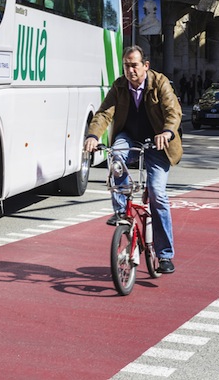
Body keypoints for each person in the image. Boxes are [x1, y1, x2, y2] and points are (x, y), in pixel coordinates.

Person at [83, 45, 183, 274]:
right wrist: (92, 136)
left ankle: (165, 255)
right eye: (127, 66)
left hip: (158, 141)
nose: (130, 70)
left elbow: (172, 111)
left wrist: (167, 133)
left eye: (135, 65)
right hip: (129, 137)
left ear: (145, 66)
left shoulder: (159, 82)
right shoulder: (119, 86)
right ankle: (120, 211)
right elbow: (103, 114)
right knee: (116, 155)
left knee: (157, 194)